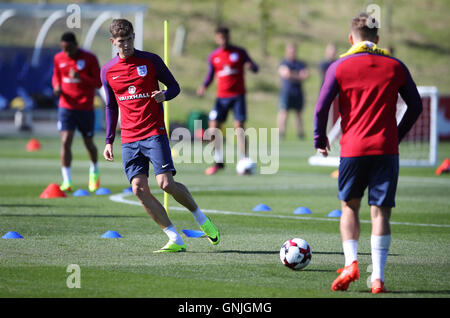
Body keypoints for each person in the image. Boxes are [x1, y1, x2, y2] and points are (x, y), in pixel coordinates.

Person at [313, 13, 422, 293]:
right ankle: (378, 279)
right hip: (386, 149)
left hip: (353, 150)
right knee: (380, 214)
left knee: (350, 207)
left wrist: (320, 138)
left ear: (351, 38)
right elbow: (416, 106)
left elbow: (321, 108)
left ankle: (351, 263)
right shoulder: (395, 65)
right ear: (378, 39)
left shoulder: (339, 66)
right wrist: (396, 135)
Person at [101, 19, 220, 253]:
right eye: (120, 42)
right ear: (113, 42)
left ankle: (202, 220)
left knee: (165, 183)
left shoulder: (151, 60)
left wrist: (164, 96)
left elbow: (175, 86)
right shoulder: (107, 71)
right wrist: (108, 140)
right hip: (129, 138)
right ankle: (174, 238)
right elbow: (110, 106)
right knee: (138, 188)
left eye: (129, 40)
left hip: (154, 132)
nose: (125, 45)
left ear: (134, 37)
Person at [197, 26, 259, 175]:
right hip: (221, 97)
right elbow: (210, 74)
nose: (222, 39)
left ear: (228, 37)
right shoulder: (214, 56)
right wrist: (204, 86)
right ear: (216, 38)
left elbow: (255, 67)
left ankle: (244, 161)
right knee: (213, 129)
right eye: (220, 37)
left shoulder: (239, 52)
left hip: (238, 96)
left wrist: (251, 67)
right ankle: (218, 162)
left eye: (224, 37)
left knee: (239, 127)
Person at [52, 32, 102, 192]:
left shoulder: (90, 58)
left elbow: (98, 83)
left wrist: (81, 76)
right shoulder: (58, 58)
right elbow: (56, 76)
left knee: (89, 143)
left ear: (76, 45)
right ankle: (67, 181)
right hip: (66, 107)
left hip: (85, 108)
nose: (66, 52)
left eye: (68, 48)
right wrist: (56, 86)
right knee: (66, 140)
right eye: (63, 49)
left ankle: (94, 171)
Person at [277, 42, 309, 140]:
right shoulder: (283, 63)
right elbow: (285, 74)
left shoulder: (300, 64)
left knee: (298, 113)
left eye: (293, 50)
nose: (292, 52)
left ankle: (300, 134)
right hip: (286, 92)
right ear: (287, 51)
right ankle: (281, 134)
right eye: (290, 50)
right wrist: (297, 75)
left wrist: (291, 74)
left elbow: (304, 76)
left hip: (298, 92)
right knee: (284, 112)